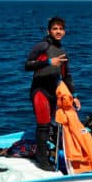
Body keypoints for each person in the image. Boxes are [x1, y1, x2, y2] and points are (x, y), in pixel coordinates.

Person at [25, 16, 80, 170]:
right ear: (48, 31)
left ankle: (48, 154)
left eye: (61, 29)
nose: (58, 31)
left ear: (65, 31)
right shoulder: (42, 46)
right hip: (40, 90)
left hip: (53, 92)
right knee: (42, 125)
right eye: (55, 28)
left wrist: (74, 96)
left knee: (52, 124)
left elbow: (66, 76)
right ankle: (42, 161)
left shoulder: (62, 51)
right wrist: (48, 62)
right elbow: (27, 65)